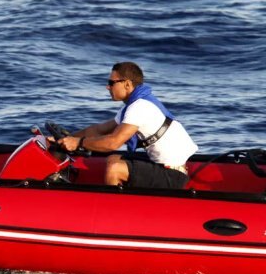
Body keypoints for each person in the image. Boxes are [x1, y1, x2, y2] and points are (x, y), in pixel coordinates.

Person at [57, 61, 198, 188]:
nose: (107, 87)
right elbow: (99, 130)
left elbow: (113, 143)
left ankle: (113, 207)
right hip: (164, 165)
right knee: (113, 159)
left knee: (115, 169)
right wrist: (67, 138)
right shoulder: (134, 105)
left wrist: (79, 143)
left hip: (173, 175)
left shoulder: (139, 107)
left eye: (112, 83)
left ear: (127, 84)